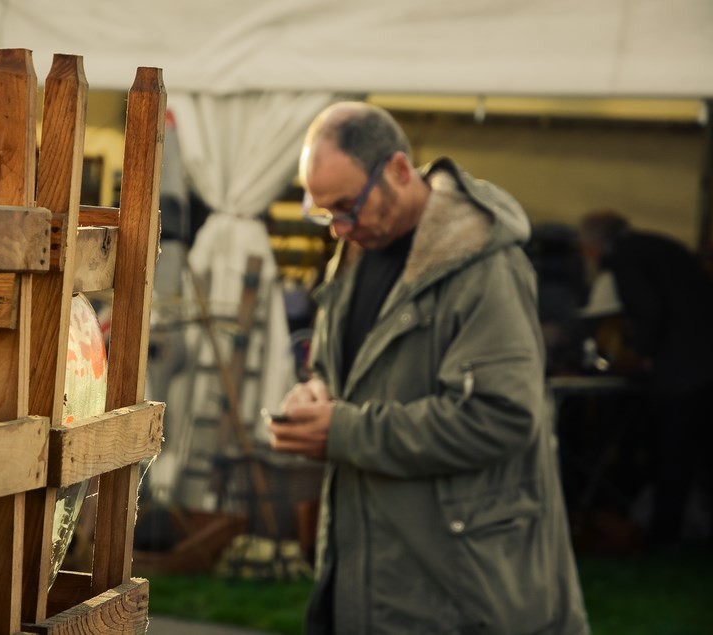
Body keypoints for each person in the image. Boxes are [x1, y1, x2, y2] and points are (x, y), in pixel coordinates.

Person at [268, 102, 589, 634]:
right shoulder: (356, 249)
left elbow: (502, 416)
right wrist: (316, 391)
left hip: (459, 593)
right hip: (377, 579)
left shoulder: (484, 264)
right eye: (324, 213)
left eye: (346, 207)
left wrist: (344, 431)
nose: (337, 230)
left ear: (397, 170)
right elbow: (337, 365)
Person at [578, 210, 713, 547]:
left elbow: (649, 309)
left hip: (682, 373)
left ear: (595, 244)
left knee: (673, 457)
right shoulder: (663, 245)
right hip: (704, 365)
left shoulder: (626, 257)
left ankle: (663, 536)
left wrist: (643, 354)